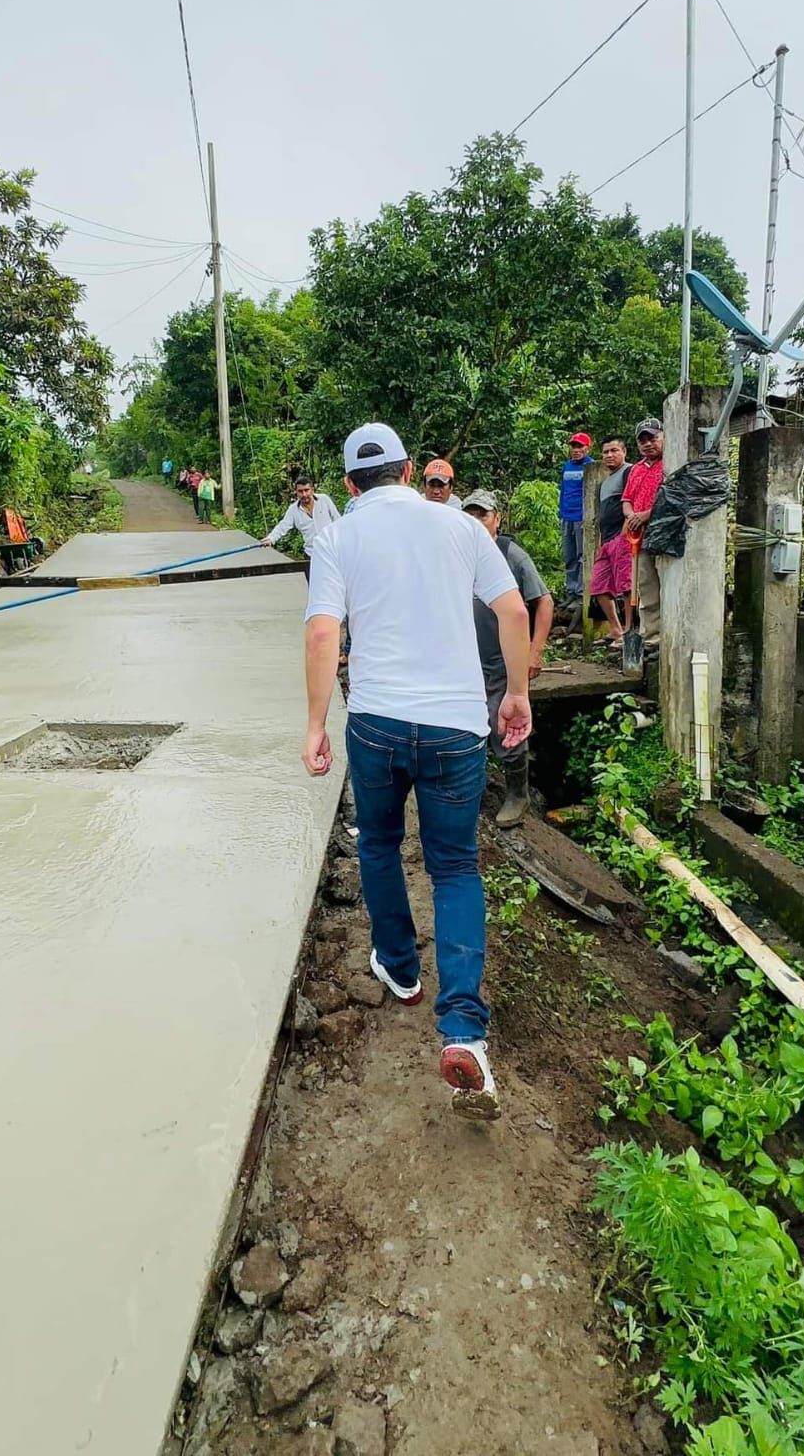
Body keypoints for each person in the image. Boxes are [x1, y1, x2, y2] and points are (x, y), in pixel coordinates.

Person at [302, 422, 532, 1122]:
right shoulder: (461, 527)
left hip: (375, 723)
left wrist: (315, 724)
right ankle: (463, 1030)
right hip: (455, 728)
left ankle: (400, 969)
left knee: (377, 843)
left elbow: (322, 631)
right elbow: (512, 609)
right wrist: (516, 692)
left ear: (349, 485)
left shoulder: (336, 537)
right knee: (455, 867)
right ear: (408, 472)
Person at [462, 490, 553, 827]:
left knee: (505, 724)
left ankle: (518, 793)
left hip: (503, 661)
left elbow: (544, 601)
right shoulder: (457, 553)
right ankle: (472, 789)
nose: (476, 522)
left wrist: (535, 650)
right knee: (466, 724)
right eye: (470, 516)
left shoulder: (510, 554)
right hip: (466, 660)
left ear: (497, 519)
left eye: (482, 515)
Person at [622, 417, 665, 648]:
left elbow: (671, 498)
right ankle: (651, 637)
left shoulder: (670, 464)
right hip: (639, 537)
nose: (648, 444)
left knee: (666, 584)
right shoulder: (636, 469)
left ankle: (668, 635)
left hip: (664, 535)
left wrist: (646, 515)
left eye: (653, 438)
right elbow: (627, 500)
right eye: (643, 440)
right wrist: (632, 516)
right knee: (646, 587)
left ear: (663, 437)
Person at [588, 437, 633, 644]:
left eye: (614, 450)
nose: (609, 455)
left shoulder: (629, 472)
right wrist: (600, 542)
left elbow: (633, 502)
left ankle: (629, 630)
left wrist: (624, 534)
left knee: (626, 585)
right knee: (599, 586)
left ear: (624, 452)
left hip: (622, 537)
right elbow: (601, 515)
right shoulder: (604, 483)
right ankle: (616, 628)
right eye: (605, 452)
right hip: (606, 541)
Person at [262, 475, 340, 580]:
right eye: (300, 491)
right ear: (296, 492)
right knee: (314, 587)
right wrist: (271, 538)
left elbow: (338, 520)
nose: (304, 494)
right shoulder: (293, 510)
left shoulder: (324, 500)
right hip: (312, 555)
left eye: (306, 490)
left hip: (332, 553)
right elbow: (283, 526)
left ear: (312, 490)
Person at [559, 433, 593, 600]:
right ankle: (570, 591)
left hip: (582, 517)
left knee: (582, 556)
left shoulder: (591, 466)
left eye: (580, 446)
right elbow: (563, 490)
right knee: (569, 555)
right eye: (574, 446)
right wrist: (561, 512)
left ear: (588, 448)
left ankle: (581, 592)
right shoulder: (567, 466)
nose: (576, 450)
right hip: (567, 516)